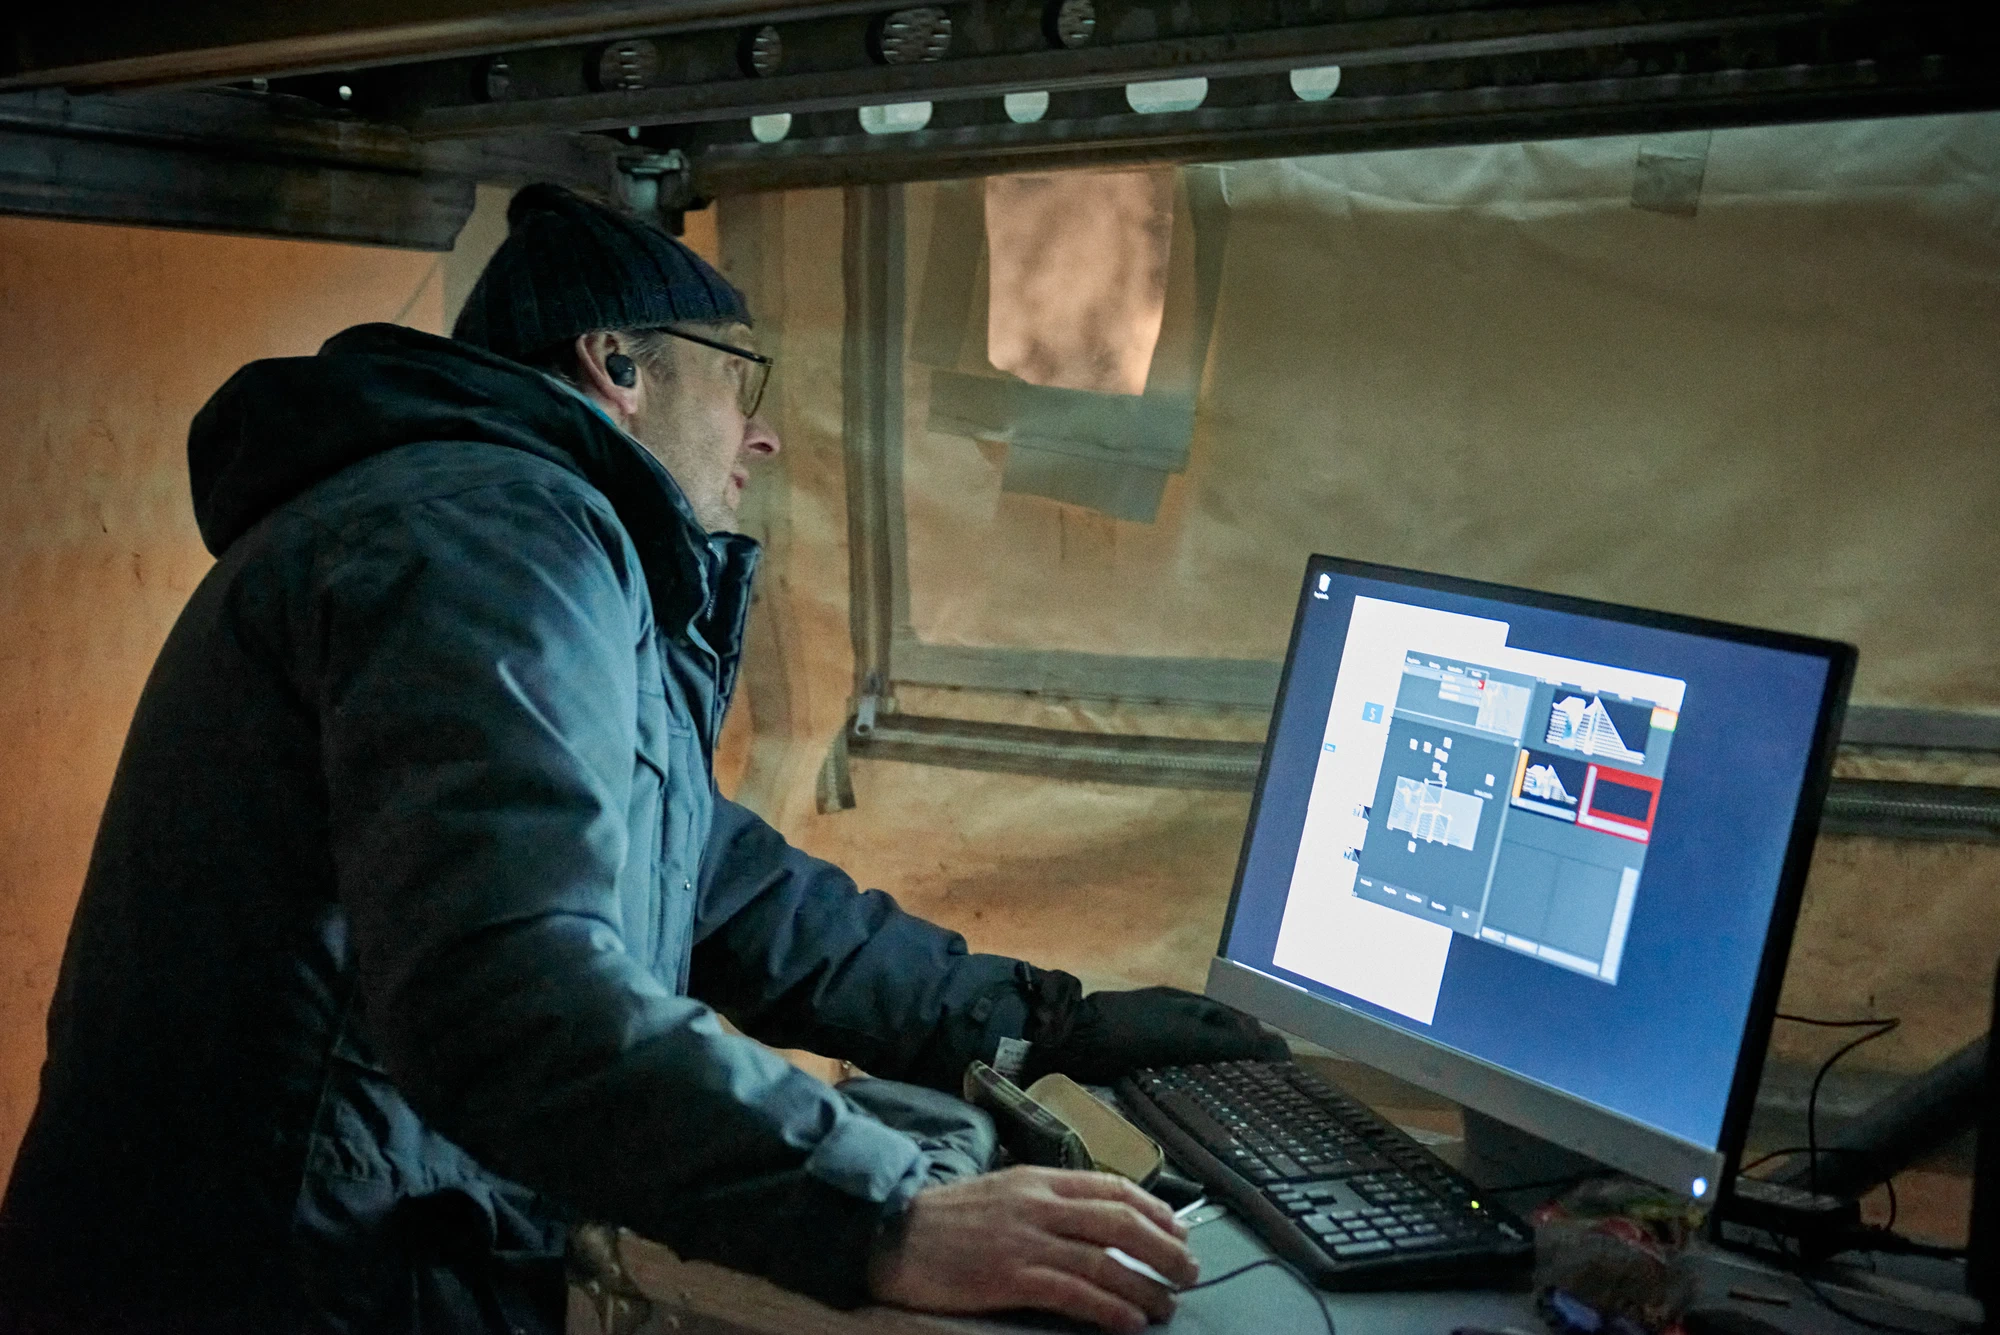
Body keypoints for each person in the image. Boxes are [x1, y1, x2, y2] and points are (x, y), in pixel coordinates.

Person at [0, 185, 1286, 1335]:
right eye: (738, 381)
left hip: (293, 1246)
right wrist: (885, 1215)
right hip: (284, 1278)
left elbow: (710, 876)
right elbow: (504, 990)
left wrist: (1030, 1023)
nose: (758, 437)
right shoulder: (491, 532)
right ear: (615, 365)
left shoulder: (486, 525)